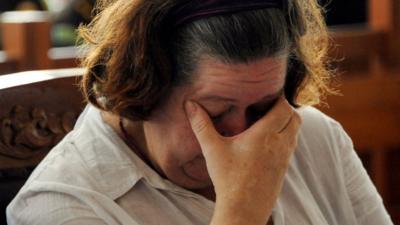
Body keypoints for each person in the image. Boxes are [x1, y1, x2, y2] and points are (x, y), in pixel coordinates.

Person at [6, 0, 394, 224]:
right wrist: (240, 213)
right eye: (215, 112)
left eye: (261, 107)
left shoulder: (312, 135)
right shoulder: (58, 209)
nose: (243, 139)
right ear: (143, 89)